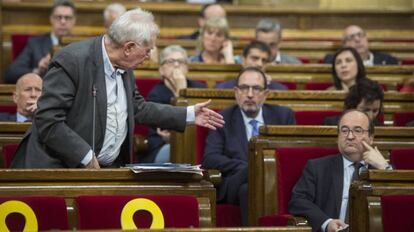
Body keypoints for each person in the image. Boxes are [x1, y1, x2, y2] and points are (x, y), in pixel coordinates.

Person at [11, 8, 224, 169]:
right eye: (147, 50)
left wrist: (188, 114)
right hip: (60, 168)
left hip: (106, 171)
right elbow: (49, 120)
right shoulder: (72, 60)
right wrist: (85, 156)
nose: (150, 56)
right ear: (129, 47)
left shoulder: (124, 64)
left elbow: (137, 108)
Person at [202, 67, 295, 225]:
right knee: (247, 187)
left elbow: (291, 156)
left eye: (256, 88)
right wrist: (250, 168)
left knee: (250, 187)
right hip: (234, 183)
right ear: (236, 92)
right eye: (244, 88)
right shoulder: (222, 118)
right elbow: (210, 158)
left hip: (274, 181)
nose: (250, 94)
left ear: (265, 94)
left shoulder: (283, 115)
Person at [289, 109, 392, 232]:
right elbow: (298, 201)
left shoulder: (383, 170)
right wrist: (326, 223)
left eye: (357, 130)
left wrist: (384, 168)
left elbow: (397, 208)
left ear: (371, 138)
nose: (350, 136)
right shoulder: (318, 167)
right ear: (338, 137)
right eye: (344, 130)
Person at [142, 45, 207, 163]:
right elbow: (170, 131)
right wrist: (180, 92)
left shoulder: (200, 88)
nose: (176, 65)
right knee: (181, 151)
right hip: (162, 146)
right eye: (170, 61)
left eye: (181, 62)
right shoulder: (156, 94)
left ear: (187, 68)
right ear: (161, 70)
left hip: (197, 143)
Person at [5, 0, 76, 83]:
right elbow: (11, 73)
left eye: (67, 18)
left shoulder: (80, 45)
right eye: (58, 17)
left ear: (74, 20)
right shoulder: (35, 44)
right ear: (51, 19)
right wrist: (37, 70)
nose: (63, 21)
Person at [216, 40, 287, 90]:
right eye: (255, 58)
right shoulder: (223, 88)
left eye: (264, 60)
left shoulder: (279, 89)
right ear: (243, 60)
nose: (260, 64)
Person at [323, 25, 399, 66]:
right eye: (351, 37)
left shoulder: (388, 60)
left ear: (367, 39)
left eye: (360, 35)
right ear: (344, 45)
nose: (357, 40)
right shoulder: (333, 61)